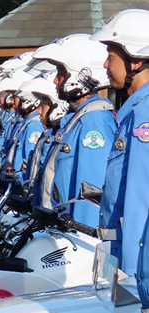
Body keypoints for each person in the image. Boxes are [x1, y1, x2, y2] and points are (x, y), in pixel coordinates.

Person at [33, 34, 117, 227]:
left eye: (61, 71)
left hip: (73, 238)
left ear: (82, 73)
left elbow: (91, 196)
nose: (55, 80)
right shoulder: (77, 118)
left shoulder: (93, 122)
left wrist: (82, 236)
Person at [90, 9, 149, 276]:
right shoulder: (134, 109)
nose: (105, 65)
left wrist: (131, 281)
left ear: (135, 61)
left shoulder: (144, 113)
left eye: (111, 56)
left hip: (134, 269)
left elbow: (140, 202)